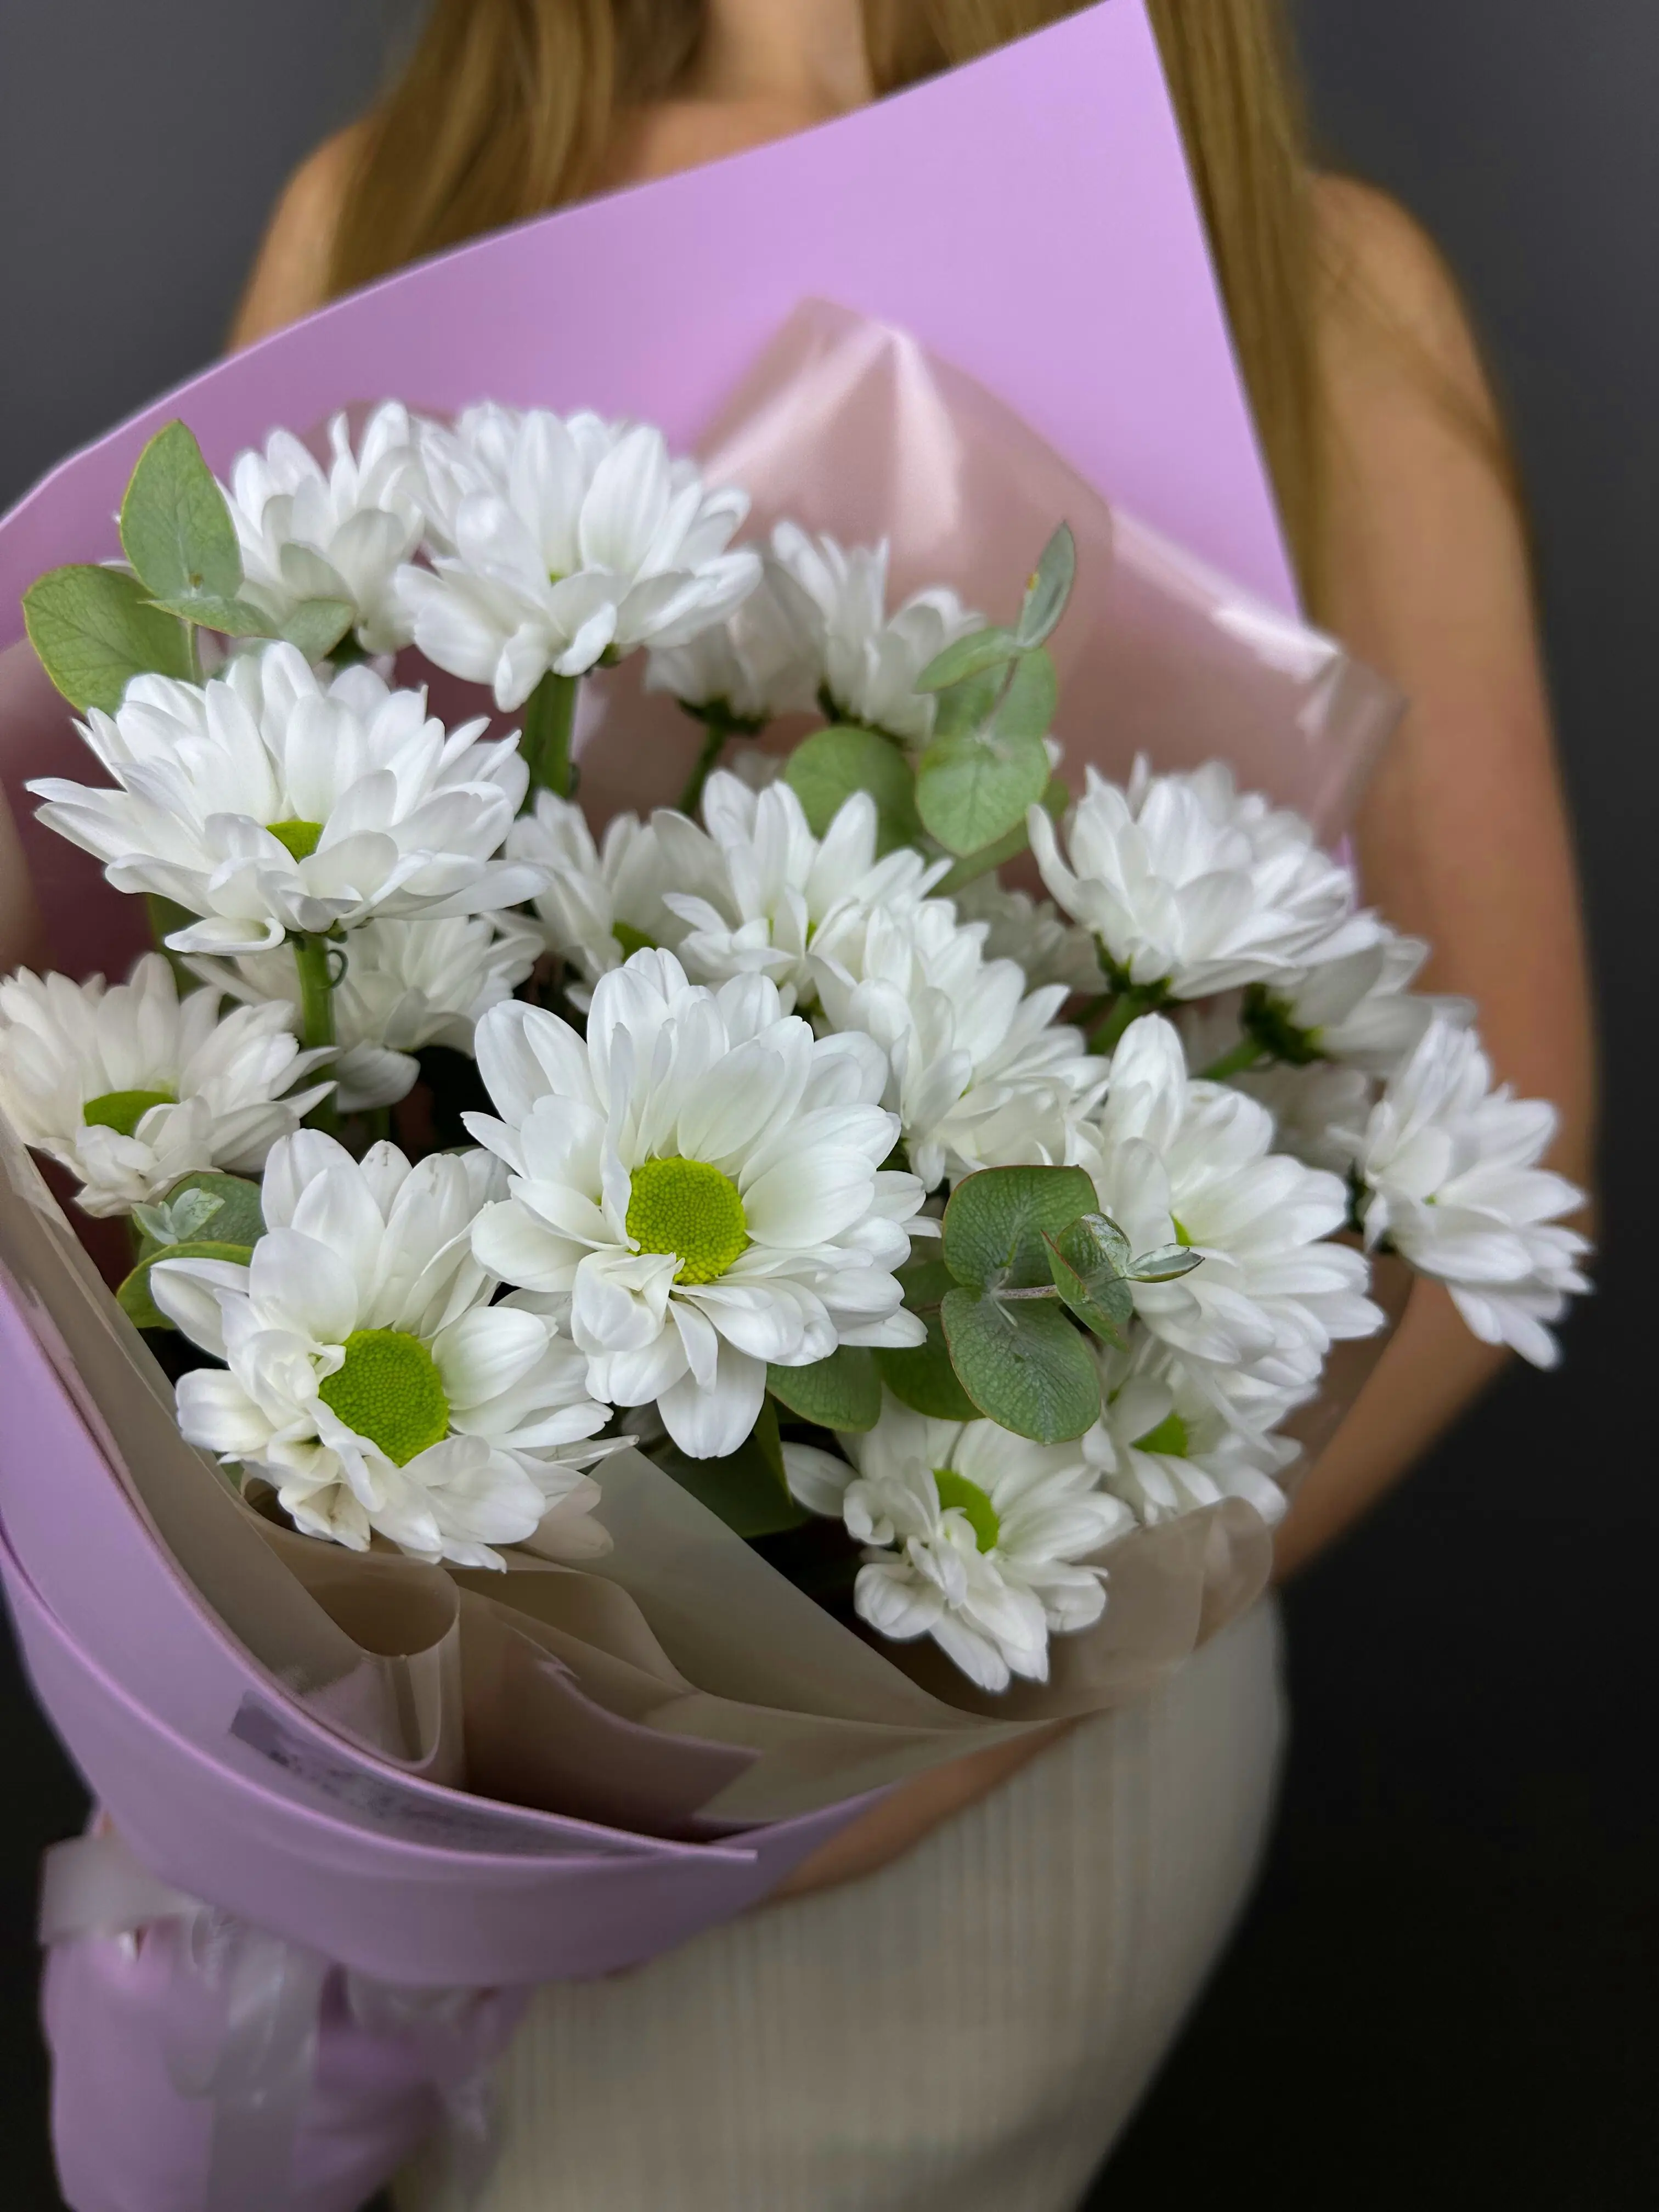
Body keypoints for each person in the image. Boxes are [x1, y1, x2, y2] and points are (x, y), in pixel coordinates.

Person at [234, 5, 1595, 2205]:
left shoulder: (1314, 276)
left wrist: (940, 1742)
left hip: (1001, 1728)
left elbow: (1511, 1101)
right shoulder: (382, 204)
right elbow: (213, 938)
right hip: (409, 1715)